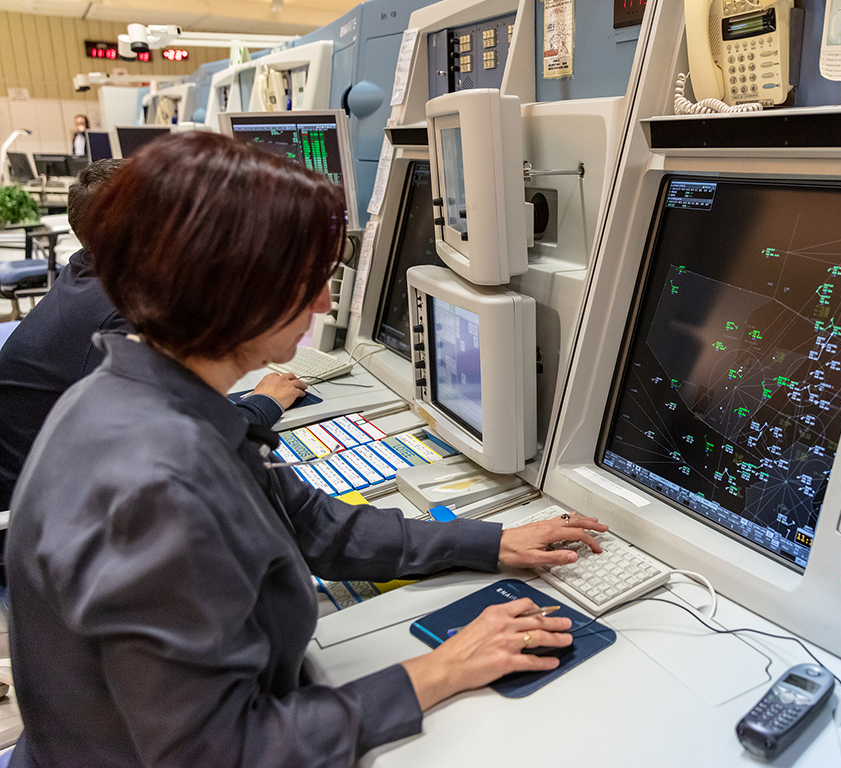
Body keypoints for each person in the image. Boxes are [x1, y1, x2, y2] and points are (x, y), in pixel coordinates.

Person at [6, 132, 606, 767]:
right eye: (308, 280)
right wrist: (439, 671)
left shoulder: (141, 389)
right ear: (232, 290)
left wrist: (492, 543)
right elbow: (222, 754)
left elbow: (311, 523)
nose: (324, 303)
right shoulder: (158, 486)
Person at [0, 158, 307, 584]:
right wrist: (262, 405)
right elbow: (178, 440)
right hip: (56, 533)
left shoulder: (87, 272)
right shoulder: (121, 316)